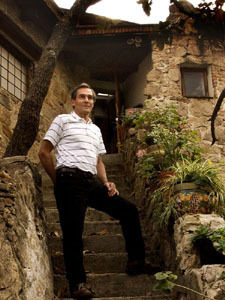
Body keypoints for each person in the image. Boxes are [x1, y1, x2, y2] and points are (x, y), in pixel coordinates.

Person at [38, 83, 157, 299]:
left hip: (90, 181)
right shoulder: (62, 121)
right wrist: (58, 181)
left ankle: (136, 262)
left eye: (91, 98)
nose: (87, 101)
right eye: (82, 97)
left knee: (128, 210)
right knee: (73, 233)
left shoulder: (95, 129)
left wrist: (107, 182)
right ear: (73, 101)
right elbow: (44, 153)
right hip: (68, 179)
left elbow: (99, 160)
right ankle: (77, 284)